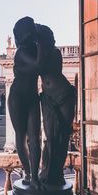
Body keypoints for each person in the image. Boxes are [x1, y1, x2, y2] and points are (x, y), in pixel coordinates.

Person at [36, 24, 76, 186]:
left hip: (65, 94)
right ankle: (48, 172)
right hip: (50, 98)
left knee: (63, 136)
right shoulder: (41, 52)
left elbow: (40, 67)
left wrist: (38, 48)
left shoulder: (53, 53)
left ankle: (56, 173)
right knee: (51, 137)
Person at [8, 17, 42, 189]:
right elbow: (39, 65)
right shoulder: (21, 52)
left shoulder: (35, 49)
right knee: (21, 138)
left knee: (36, 138)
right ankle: (28, 174)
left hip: (32, 97)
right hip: (18, 97)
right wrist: (43, 43)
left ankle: (35, 177)